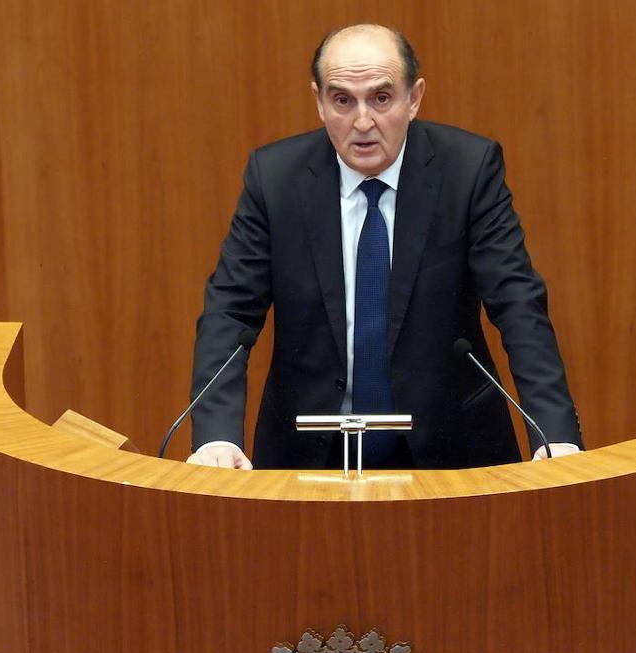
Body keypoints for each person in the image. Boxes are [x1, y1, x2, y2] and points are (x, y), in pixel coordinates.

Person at [187, 23, 582, 470]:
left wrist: (556, 436)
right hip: (310, 449)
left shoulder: (468, 171)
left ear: (413, 99)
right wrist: (216, 436)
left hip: (452, 449)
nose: (362, 122)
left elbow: (517, 304)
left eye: (381, 98)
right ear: (318, 101)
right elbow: (232, 310)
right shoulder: (275, 179)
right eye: (342, 100)